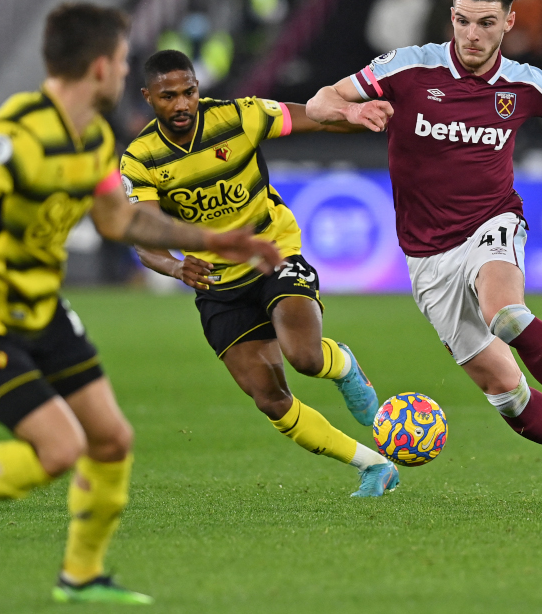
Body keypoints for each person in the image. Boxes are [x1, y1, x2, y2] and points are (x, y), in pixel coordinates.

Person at [0, 3, 281, 603]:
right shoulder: (17, 134)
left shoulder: (94, 136)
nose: (125, 72)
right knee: (59, 449)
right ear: (100, 67)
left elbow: (118, 218)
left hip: (40, 309)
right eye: (123, 62)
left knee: (112, 440)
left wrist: (215, 239)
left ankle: (81, 575)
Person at [305, 0, 542, 507]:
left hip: (492, 223)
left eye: (486, 23)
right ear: (451, 17)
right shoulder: (407, 66)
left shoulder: (524, 83)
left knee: (506, 314)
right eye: (464, 21)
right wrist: (354, 110)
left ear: (510, 22)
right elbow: (318, 102)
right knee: (505, 393)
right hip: (426, 254)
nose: (472, 35)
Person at [119, 49, 400, 498]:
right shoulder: (141, 159)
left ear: (198, 89)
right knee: (270, 399)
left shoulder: (239, 117)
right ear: (147, 97)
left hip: (273, 254)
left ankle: (343, 366)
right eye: (168, 96)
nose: (182, 105)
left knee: (305, 358)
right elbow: (146, 239)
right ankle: (374, 465)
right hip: (217, 283)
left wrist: (357, 113)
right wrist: (175, 265)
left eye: (189, 92)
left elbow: (315, 118)